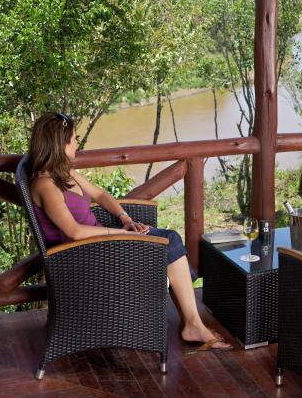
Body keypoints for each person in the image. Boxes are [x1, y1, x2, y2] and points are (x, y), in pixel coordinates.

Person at [29, 112, 231, 351]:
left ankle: (192, 323)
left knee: (169, 241)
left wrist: (125, 219)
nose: (77, 145)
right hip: (81, 259)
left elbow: (101, 194)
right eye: (73, 139)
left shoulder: (64, 173)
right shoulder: (46, 185)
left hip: (99, 245)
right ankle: (193, 323)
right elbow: (74, 232)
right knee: (168, 243)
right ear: (58, 145)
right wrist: (122, 235)